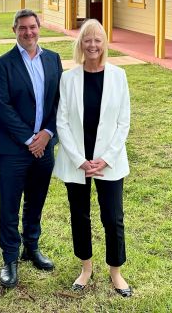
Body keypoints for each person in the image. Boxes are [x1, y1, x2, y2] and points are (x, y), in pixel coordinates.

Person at [53, 19, 132, 297]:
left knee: (113, 217)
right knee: (80, 215)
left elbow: (124, 122)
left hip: (109, 162)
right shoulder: (68, 78)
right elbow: (61, 121)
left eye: (98, 39)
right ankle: (85, 268)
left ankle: (116, 272)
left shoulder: (119, 76)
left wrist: (105, 158)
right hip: (77, 162)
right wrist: (79, 160)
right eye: (87, 39)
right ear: (80, 44)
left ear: (105, 43)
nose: (93, 45)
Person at [0, 9, 63, 288]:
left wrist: (46, 134)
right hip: (14, 148)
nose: (28, 32)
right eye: (22, 28)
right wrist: (29, 139)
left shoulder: (53, 59)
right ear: (14, 31)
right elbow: (1, 106)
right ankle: (10, 257)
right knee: (9, 204)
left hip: (45, 145)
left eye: (32, 27)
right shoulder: (3, 64)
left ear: (39, 28)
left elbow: (60, 101)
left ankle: (31, 247)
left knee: (36, 199)